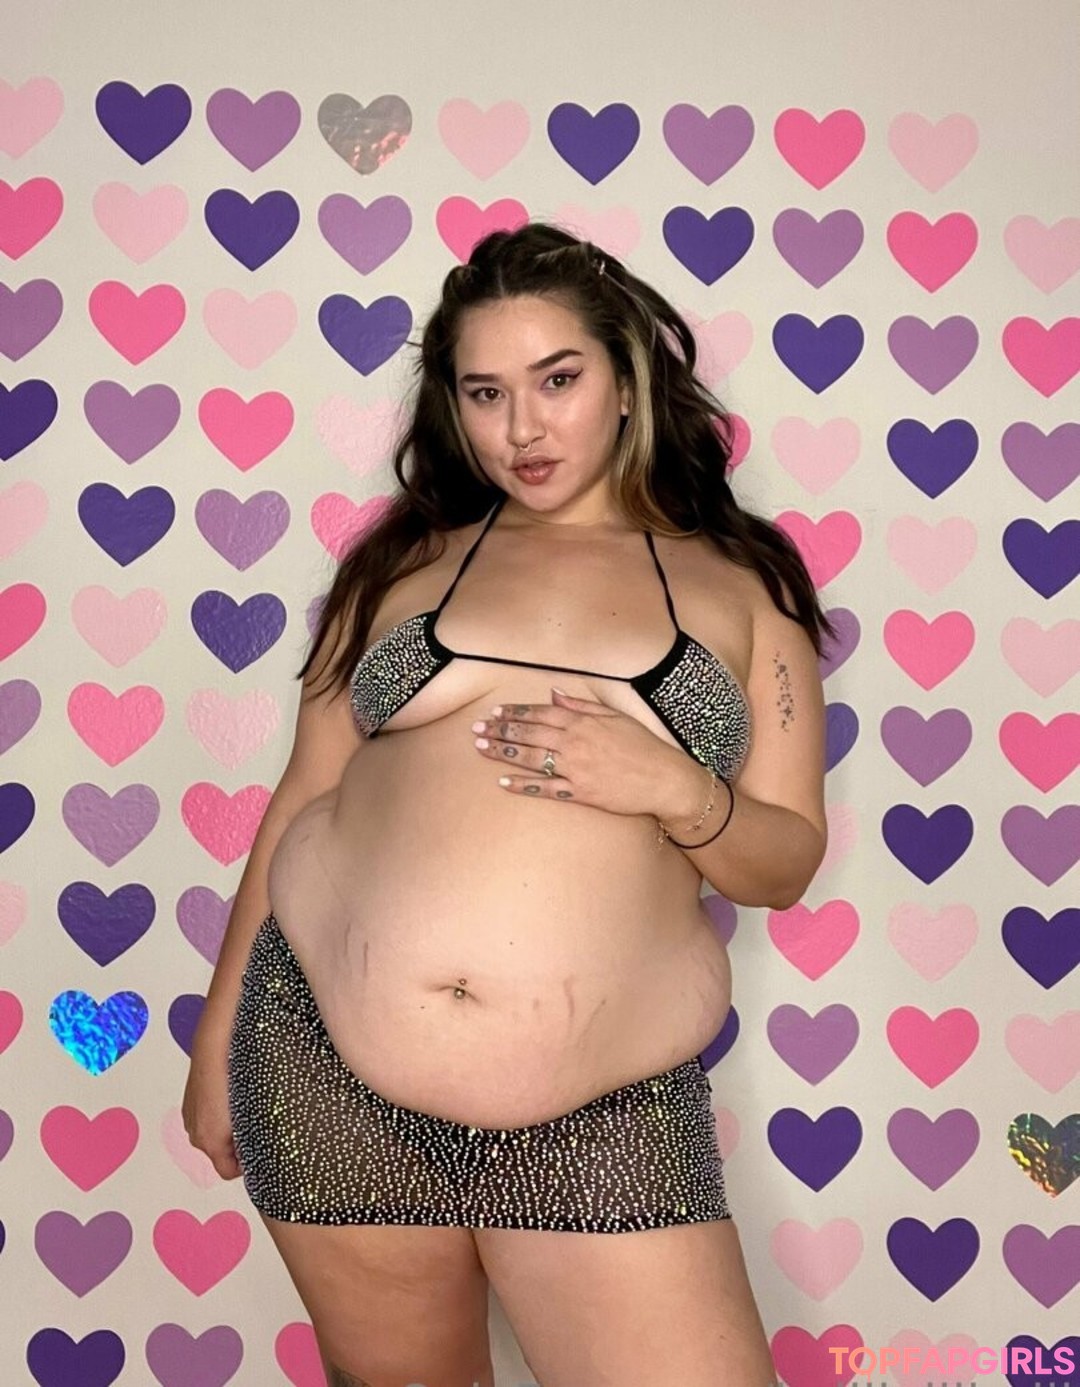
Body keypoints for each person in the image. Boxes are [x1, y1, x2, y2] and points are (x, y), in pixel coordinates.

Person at [182, 222, 831, 1387]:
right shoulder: (401, 566)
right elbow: (305, 796)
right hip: (323, 1062)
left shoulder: (744, 595)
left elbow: (784, 862)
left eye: (557, 380)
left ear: (627, 381)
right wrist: (218, 1033)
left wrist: (678, 790)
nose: (522, 428)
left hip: (601, 1097)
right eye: (485, 392)